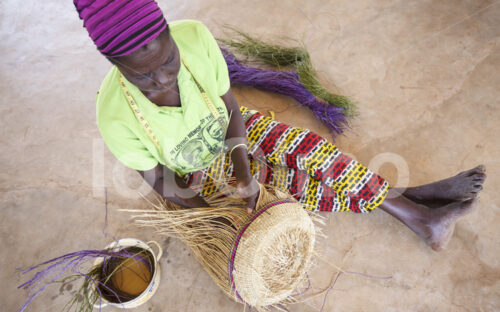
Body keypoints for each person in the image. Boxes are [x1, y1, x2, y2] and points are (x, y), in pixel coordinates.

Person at [74, 0, 485, 251]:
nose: (162, 79)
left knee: (314, 152)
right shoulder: (113, 116)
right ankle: (416, 204)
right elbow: (162, 180)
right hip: (202, 172)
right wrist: (218, 220)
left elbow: (231, 107)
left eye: (167, 62)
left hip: (236, 131)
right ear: (115, 67)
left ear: (170, 37)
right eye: (142, 76)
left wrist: (244, 169)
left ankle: (419, 213)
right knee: (307, 190)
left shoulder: (195, 39)